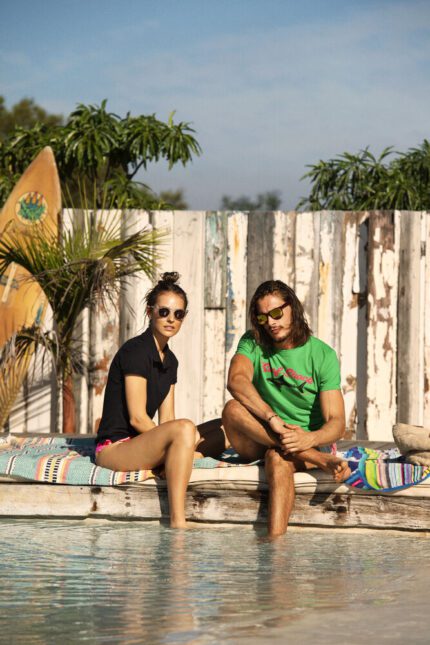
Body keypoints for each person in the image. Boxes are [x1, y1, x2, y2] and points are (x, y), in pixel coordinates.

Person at [95, 271, 225, 528]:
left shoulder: (170, 361)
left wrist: (177, 440)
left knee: (224, 426)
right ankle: (178, 520)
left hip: (143, 444)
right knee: (185, 429)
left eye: (178, 314)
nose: (171, 319)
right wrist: (178, 441)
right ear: (150, 312)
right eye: (164, 312)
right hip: (115, 448)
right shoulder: (136, 351)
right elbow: (137, 418)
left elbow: (167, 419)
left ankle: (174, 460)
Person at [222, 279, 351, 537]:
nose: (270, 322)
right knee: (232, 409)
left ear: (292, 308)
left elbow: (337, 423)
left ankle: (275, 547)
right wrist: (272, 418)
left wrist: (308, 439)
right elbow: (236, 380)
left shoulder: (322, 354)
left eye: (276, 313)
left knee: (277, 458)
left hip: (306, 441)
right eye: (262, 317)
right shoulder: (253, 342)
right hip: (265, 434)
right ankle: (317, 459)